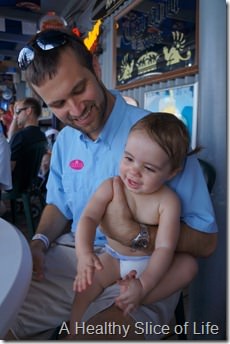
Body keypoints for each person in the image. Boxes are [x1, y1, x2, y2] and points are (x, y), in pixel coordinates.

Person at [8, 28, 217, 340]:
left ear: (95, 67)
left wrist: (135, 233)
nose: (76, 110)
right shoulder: (65, 141)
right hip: (73, 257)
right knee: (6, 316)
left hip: (145, 270)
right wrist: (39, 242)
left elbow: (205, 242)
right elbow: (58, 206)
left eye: (79, 90)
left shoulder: (157, 137)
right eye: (60, 103)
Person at [69, 113, 199, 337]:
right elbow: (88, 218)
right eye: (128, 158)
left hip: (148, 263)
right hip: (112, 257)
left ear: (172, 173)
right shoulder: (111, 185)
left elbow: (165, 248)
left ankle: (138, 296)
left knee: (188, 266)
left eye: (149, 168)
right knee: (84, 286)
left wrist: (144, 284)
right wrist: (84, 254)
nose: (134, 171)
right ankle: (73, 331)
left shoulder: (168, 202)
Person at [9, 97, 47, 191]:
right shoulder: (41, 135)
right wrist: (15, 116)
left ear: (28, 111)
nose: (16, 115)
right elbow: (11, 139)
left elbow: (8, 169)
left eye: (18, 111)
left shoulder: (20, 137)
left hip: (15, 186)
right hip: (31, 183)